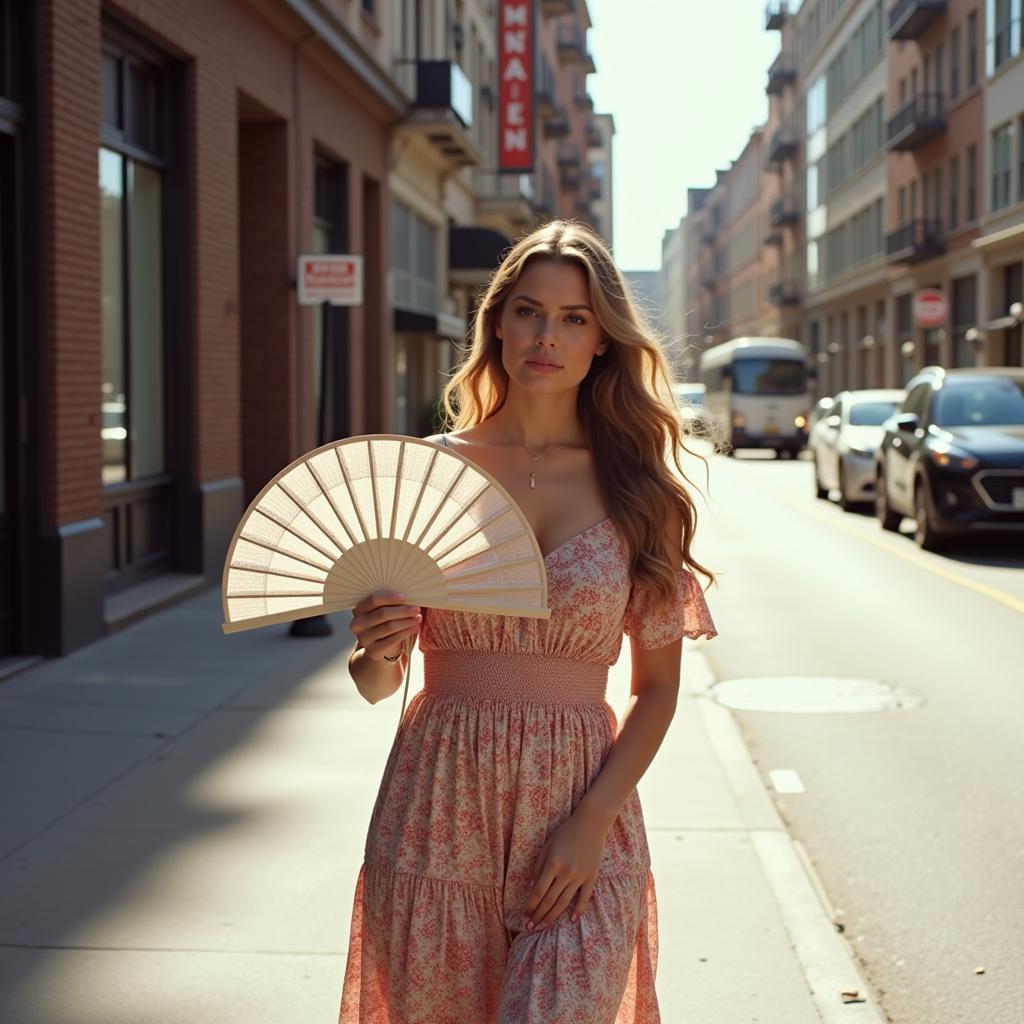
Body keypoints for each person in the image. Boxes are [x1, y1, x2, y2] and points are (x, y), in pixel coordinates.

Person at [339, 219, 719, 1023]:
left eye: (574, 317)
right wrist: (376, 648)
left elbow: (655, 691)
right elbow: (378, 685)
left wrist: (593, 822)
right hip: (437, 813)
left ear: (603, 342)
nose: (547, 335)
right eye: (527, 311)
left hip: (578, 812)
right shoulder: (429, 471)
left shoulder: (639, 492)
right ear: (497, 322)